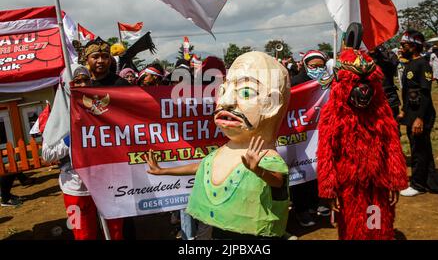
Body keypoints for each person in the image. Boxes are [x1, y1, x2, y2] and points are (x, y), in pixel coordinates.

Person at [145, 51, 291, 239]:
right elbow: (205, 166)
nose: (226, 102)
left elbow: (278, 181)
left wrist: (260, 171)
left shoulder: (264, 156)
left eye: (246, 92)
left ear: (272, 103)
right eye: (223, 91)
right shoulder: (227, 149)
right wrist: (164, 171)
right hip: (220, 231)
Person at [317, 47, 408, 240]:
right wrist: (329, 189)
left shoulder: (381, 109)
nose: (363, 89)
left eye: (367, 82)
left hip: (378, 184)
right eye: (357, 82)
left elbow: (392, 146)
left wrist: (395, 180)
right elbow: (326, 153)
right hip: (348, 187)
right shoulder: (331, 113)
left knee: (377, 226)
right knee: (353, 229)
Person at [42, 65, 124, 239]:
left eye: (85, 80)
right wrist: (71, 139)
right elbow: (47, 155)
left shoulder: (103, 108)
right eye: (76, 81)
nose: (81, 84)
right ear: (65, 84)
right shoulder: (56, 115)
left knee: (115, 232)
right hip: (75, 188)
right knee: (83, 234)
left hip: (107, 183)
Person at [398, 30, 438, 196]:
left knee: (418, 150)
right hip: (412, 113)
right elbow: (409, 92)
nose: (401, 48)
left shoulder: (422, 64)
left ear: (414, 46)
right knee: (423, 148)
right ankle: (432, 183)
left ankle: (418, 185)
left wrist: (419, 118)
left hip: (421, 115)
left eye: (404, 45)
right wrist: (404, 111)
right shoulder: (410, 63)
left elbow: (424, 94)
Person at [289, 50, 330, 227]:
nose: (318, 70)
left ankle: (317, 203)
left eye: (321, 66)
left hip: (320, 133)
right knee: (300, 172)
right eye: (313, 67)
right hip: (299, 136)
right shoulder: (295, 83)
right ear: (305, 66)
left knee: (319, 168)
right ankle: (301, 209)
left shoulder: (328, 82)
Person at [369, 45, 401, 117]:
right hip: (373, 100)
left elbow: (394, 62)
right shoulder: (365, 57)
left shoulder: (387, 54)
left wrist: (378, 51)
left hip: (389, 97)